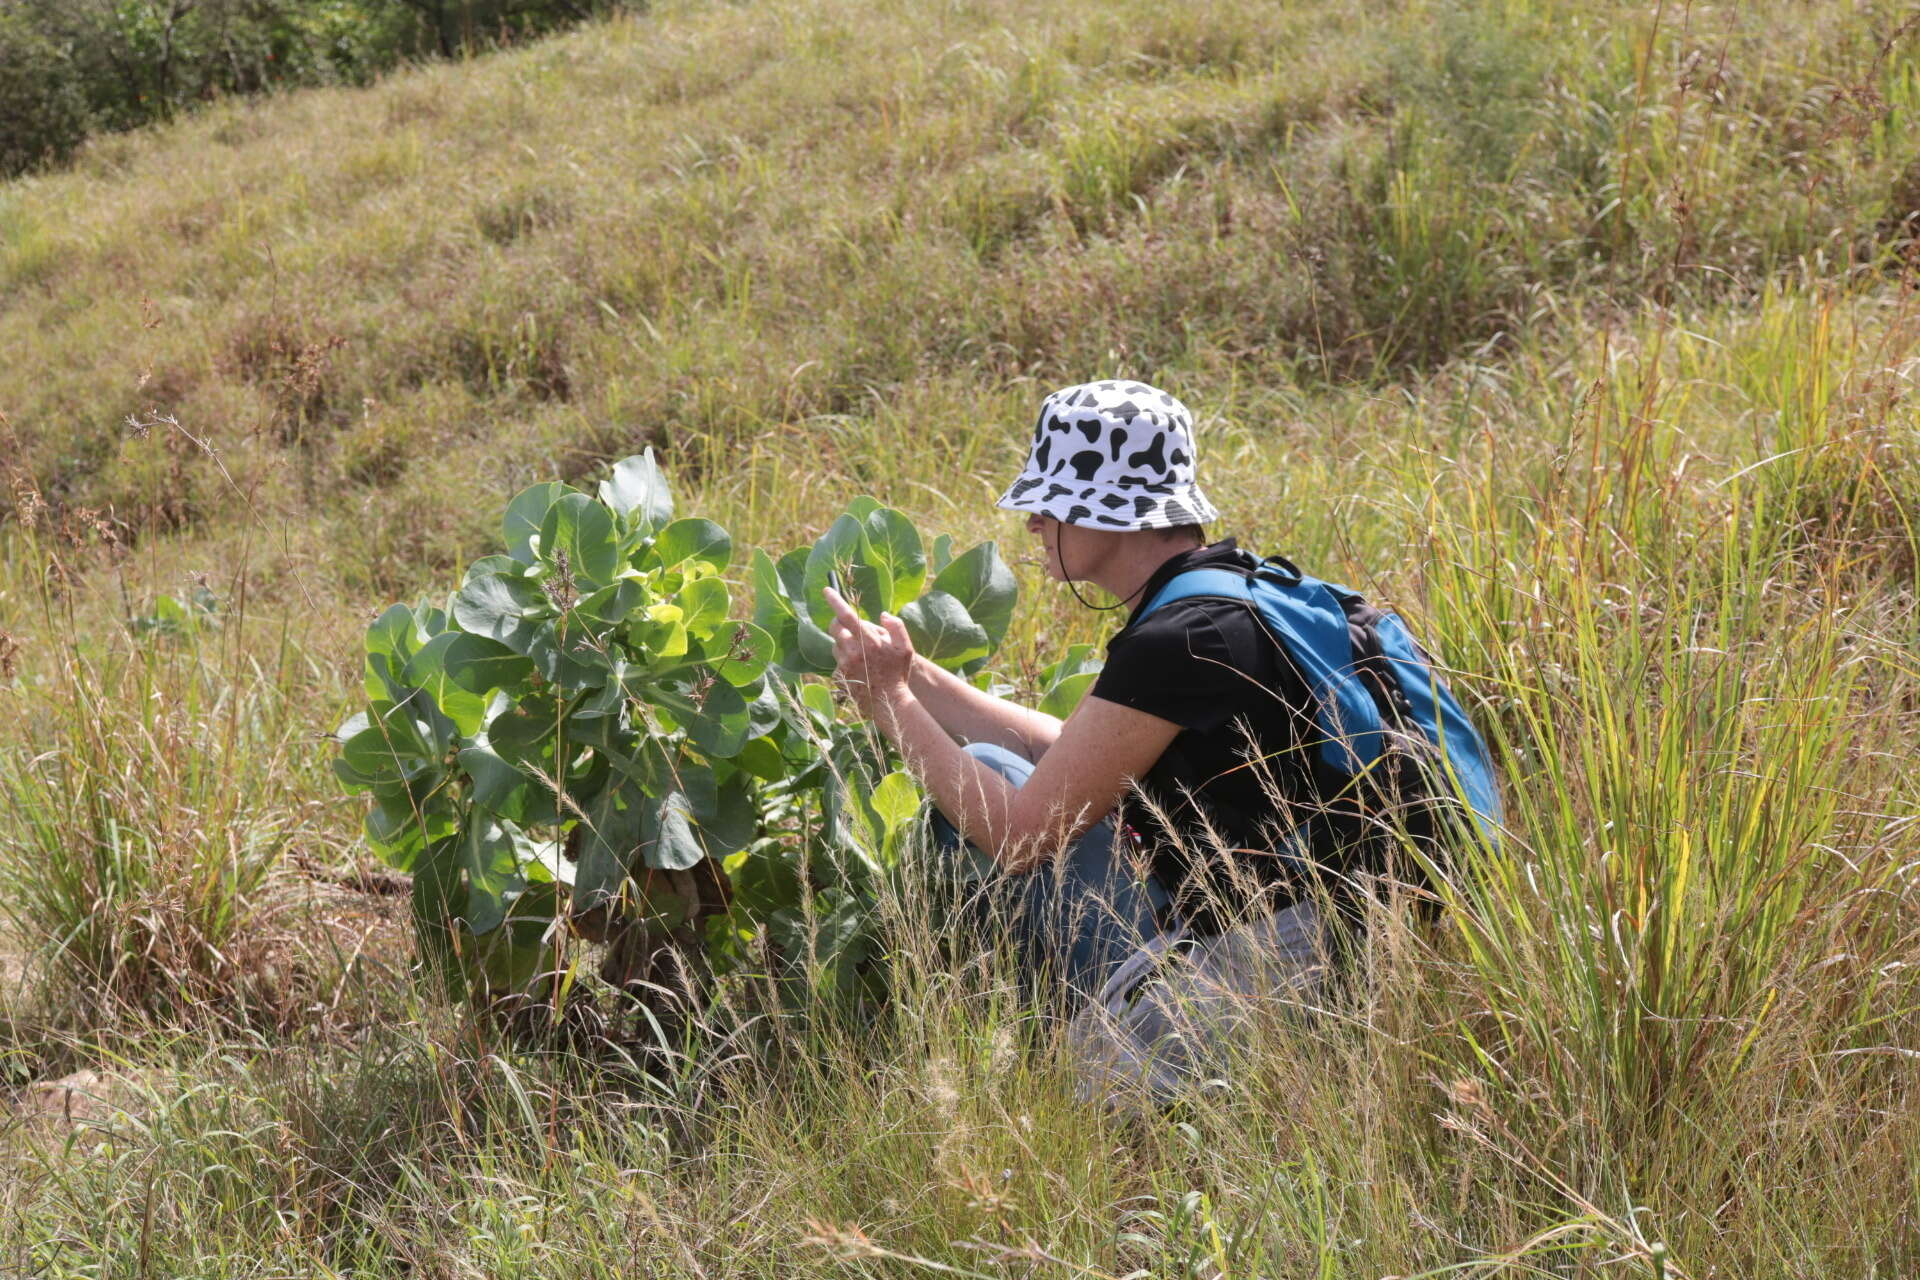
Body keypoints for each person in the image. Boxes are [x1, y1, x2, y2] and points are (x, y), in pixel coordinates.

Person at [822, 380, 1454, 1099]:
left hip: (1288, 963)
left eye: (1050, 501)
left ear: (1111, 513)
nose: (1031, 520)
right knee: (994, 761)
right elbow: (1076, 751)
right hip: (1346, 926)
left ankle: (1056, 1058)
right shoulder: (1223, 599)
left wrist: (889, 703)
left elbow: (1022, 839)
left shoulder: (1175, 642)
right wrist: (913, 675)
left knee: (1086, 1080)